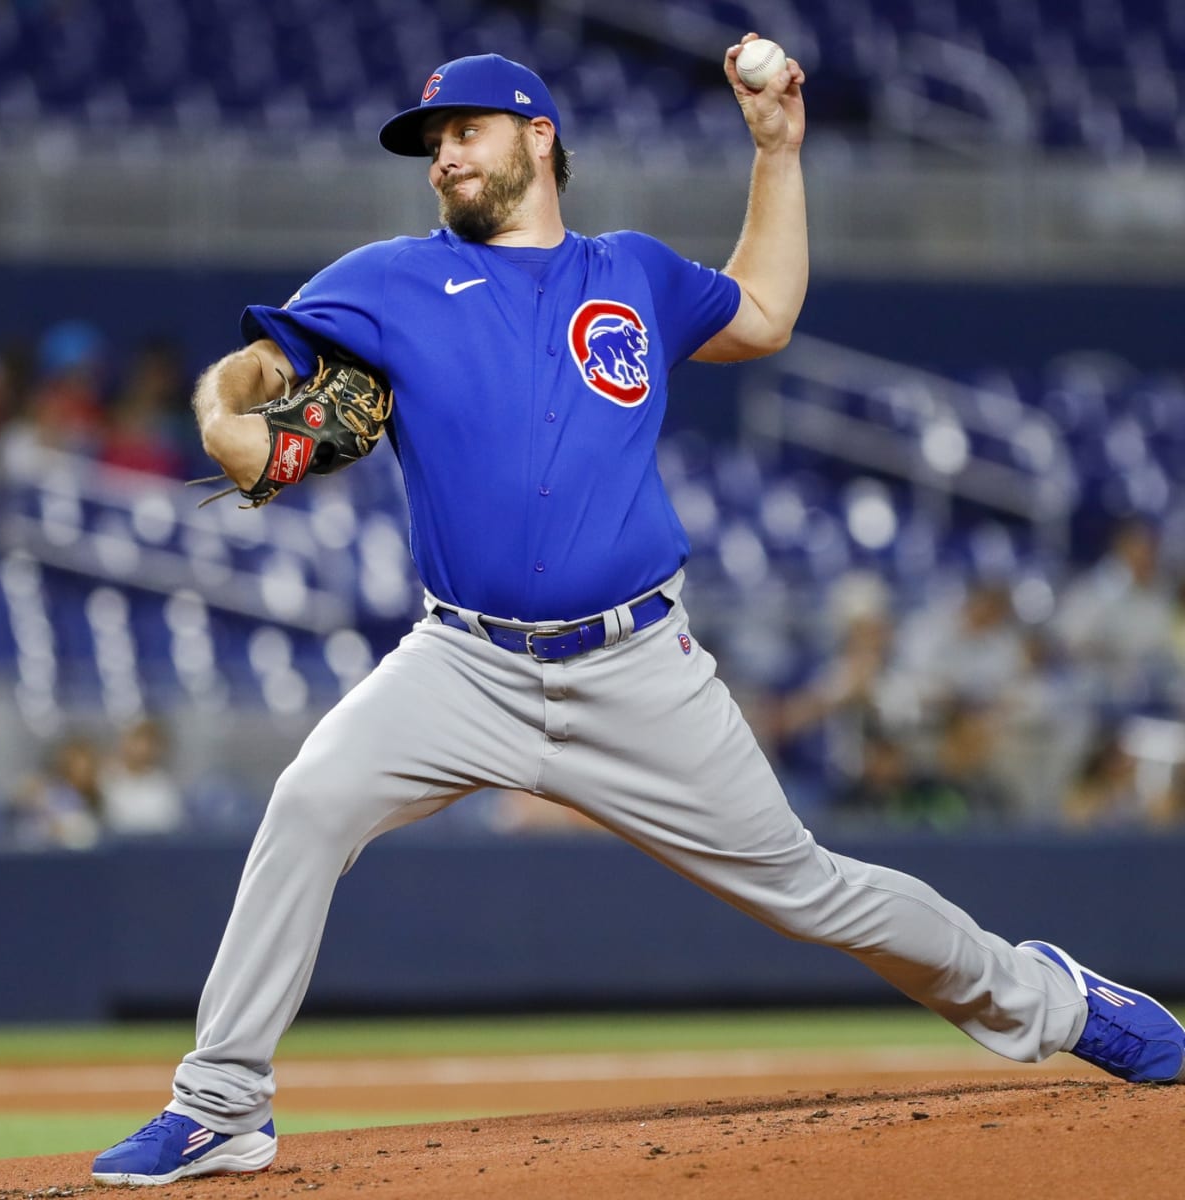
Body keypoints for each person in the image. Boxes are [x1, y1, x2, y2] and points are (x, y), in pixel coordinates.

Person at [91, 40, 1184, 1188]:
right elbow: (265, 370)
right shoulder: (388, 279)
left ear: (539, 136)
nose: (443, 157)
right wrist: (230, 403)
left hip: (636, 666)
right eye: (431, 143)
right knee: (309, 803)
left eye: (465, 130)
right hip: (461, 663)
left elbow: (761, 312)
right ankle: (221, 1105)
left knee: (809, 890)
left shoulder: (634, 274)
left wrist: (777, 152)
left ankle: (1049, 1001)